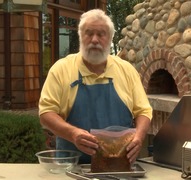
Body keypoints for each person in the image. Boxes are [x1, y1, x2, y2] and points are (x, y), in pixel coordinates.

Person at [38, 9, 153, 164]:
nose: (94, 40)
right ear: (80, 36)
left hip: (120, 167)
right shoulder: (61, 69)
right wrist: (72, 133)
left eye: (101, 34)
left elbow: (144, 111)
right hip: (71, 168)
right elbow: (46, 113)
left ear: (110, 38)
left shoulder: (126, 70)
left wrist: (139, 137)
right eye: (89, 33)